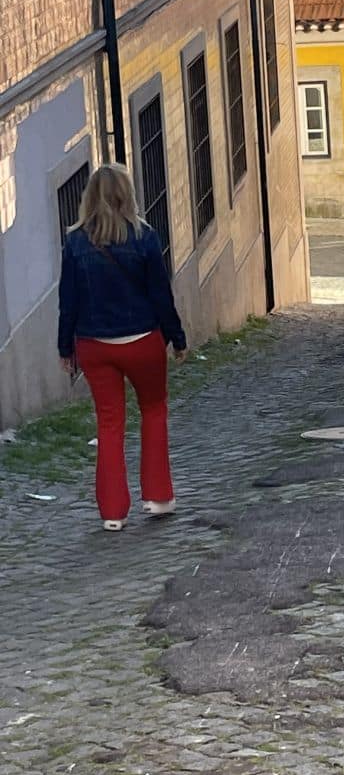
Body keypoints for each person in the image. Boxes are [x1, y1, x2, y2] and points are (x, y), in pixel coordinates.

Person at [58, 163, 187, 531]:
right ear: (127, 195)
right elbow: (161, 296)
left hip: (95, 345)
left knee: (109, 423)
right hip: (142, 339)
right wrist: (176, 338)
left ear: (89, 200)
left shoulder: (75, 243)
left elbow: (68, 301)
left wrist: (65, 347)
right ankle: (158, 497)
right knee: (153, 409)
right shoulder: (144, 238)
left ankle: (113, 513)